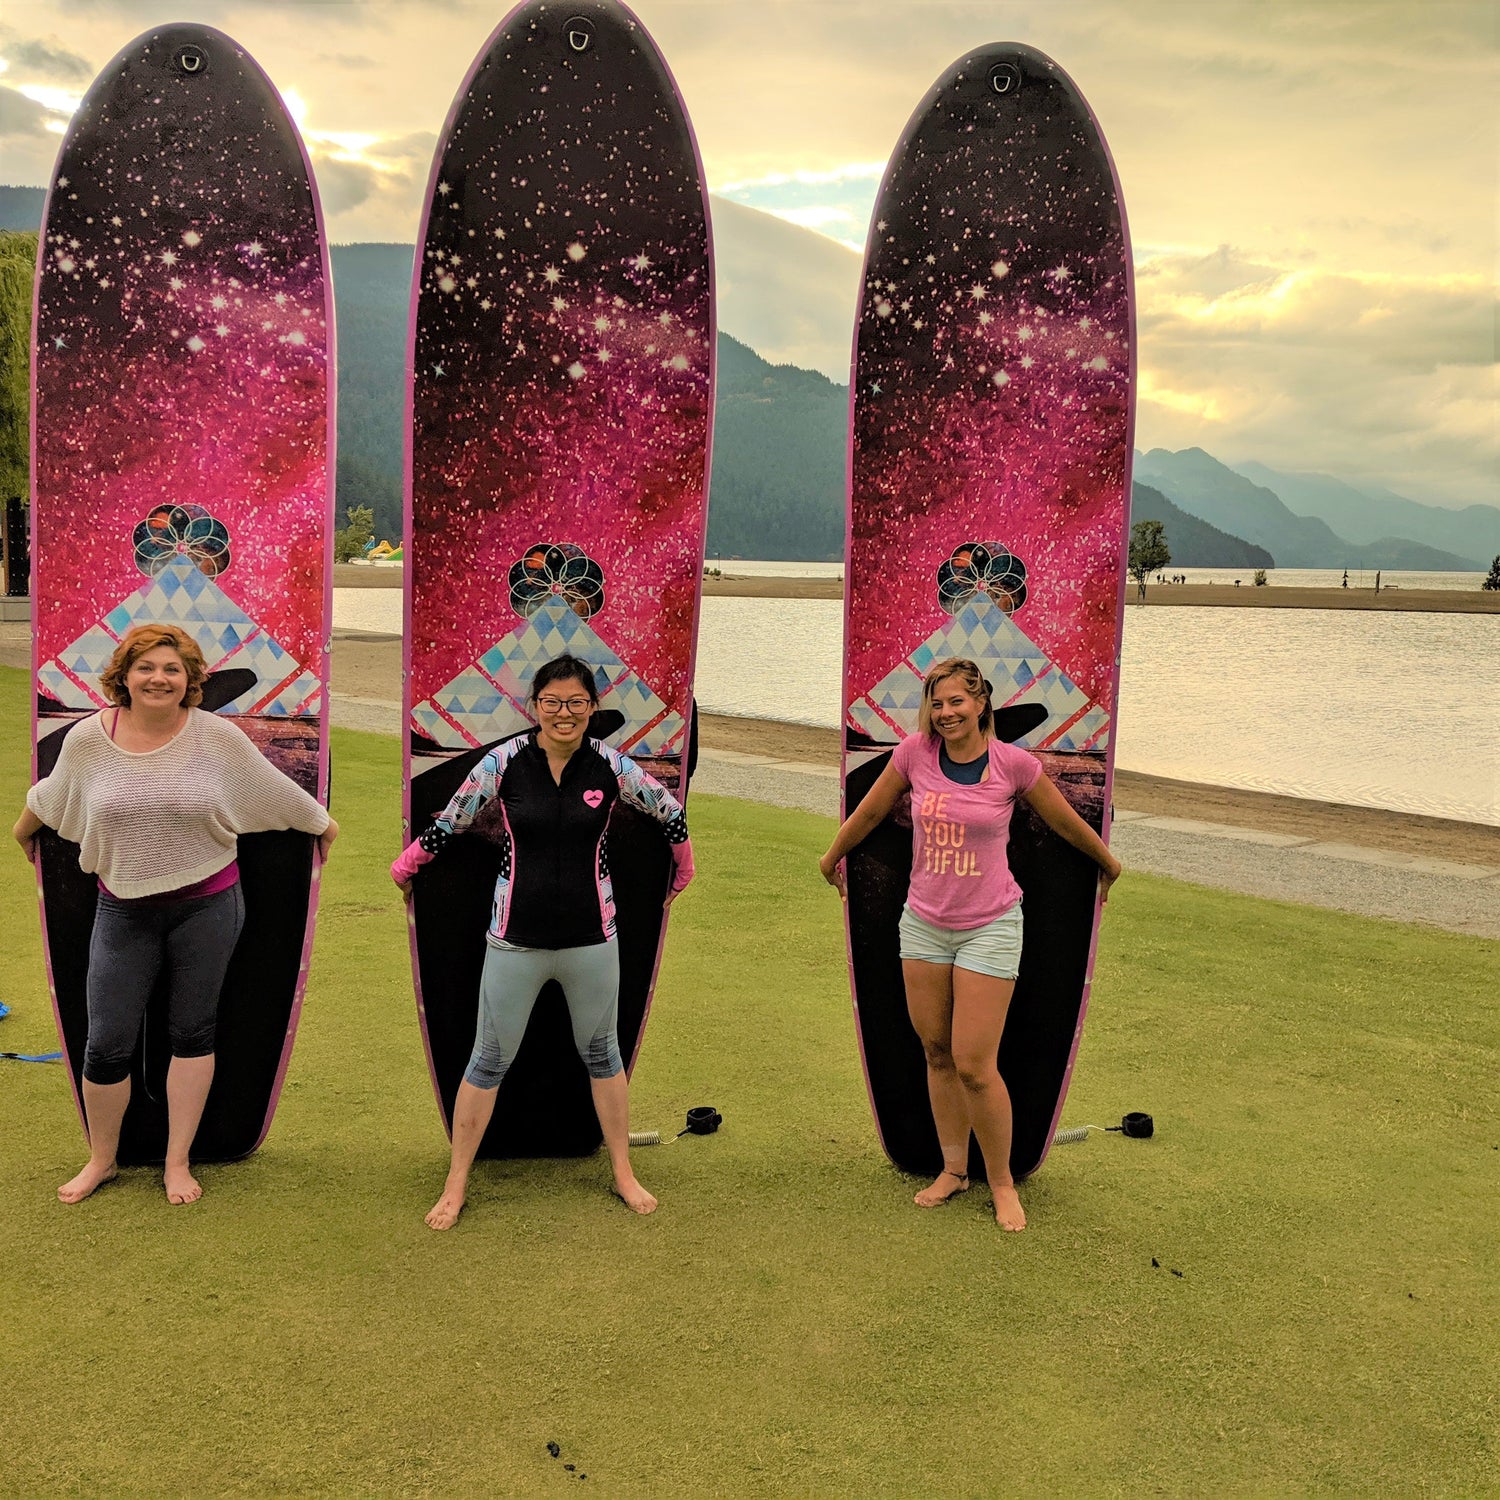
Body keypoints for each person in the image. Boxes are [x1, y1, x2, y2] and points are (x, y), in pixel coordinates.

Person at [13, 623, 337, 1206]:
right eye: (146, 667)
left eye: (172, 669)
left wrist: (323, 825)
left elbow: (273, 792)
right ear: (124, 676)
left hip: (208, 908)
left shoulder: (216, 737)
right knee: (105, 1043)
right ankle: (102, 1160)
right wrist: (23, 829)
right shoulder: (88, 739)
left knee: (192, 1033)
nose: (158, 678)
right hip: (121, 911)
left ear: (189, 680)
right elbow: (54, 795)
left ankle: (177, 1161)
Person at [391, 654, 694, 1229]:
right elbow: (453, 818)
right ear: (534, 707)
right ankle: (456, 1183)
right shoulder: (504, 762)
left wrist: (683, 871)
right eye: (552, 702)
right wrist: (408, 866)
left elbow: (670, 813)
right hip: (514, 940)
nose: (564, 713)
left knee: (603, 1054)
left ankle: (624, 1173)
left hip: (592, 939)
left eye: (576, 703)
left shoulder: (610, 766)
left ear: (592, 709)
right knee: (487, 1060)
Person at [819, 657, 1121, 1233]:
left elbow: (1063, 822)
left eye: (956, 701)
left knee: (975, 1064)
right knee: (935, 1053)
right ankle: (954, 1170)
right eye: (936, 703)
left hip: (991, 925)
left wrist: (1107, 864)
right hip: (924, 925)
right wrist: (831, 856)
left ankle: (1002, 1183)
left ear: (982, 703)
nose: (946, 713)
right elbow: (874, 808)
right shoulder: (913, 754)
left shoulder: (1014, 765)